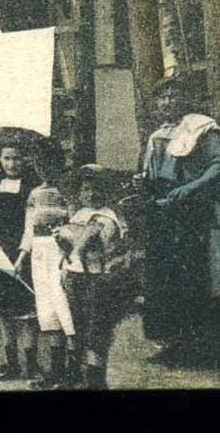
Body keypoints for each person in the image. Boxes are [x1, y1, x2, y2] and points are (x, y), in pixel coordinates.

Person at [138, 76, 220, 363]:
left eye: (174, 96)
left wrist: (189, 188)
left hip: (198, 211)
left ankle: (205, 345)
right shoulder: (157, 135)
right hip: (166, 211)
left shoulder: (202, 128)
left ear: (186, 99)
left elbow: (219, 166)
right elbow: (154, 172)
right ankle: (173, 342)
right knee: (167, 275)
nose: (167, 102)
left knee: (200, 273)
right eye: (162, 98)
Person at [57, 165, 137, 390]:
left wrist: (72, 238)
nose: (90, 194)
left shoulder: (106, 216)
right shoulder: (78, 215)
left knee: (96, 326)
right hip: (76, 275)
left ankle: (95, 378)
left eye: (95, 189)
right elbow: (67, 241)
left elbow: (95, 238)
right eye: (85, 189)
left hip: (97, 277)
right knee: (77, 323)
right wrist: (65, 242)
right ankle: (76, 374)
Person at [0, 142, 40, 381]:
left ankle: (31, 364)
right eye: (7, 158)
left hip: (20, 253)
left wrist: (23, 256)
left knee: (25, 312)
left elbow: (30, 225)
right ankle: (10, 363)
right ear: (0, 161)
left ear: (24, 160)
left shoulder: (30, 188)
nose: (12, 164)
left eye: (17, 158)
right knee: (3, 312)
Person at [24, 184, 76, 389]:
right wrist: (22, 256)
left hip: (60, 249)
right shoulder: (34, 193)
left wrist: (66, 250)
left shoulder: (66, 191)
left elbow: (73, 224)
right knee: (47, 310)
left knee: (63, 305)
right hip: (38, 251)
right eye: (40, 161)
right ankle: (56, 372)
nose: (45, 167)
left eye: (50, 159)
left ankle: (70, 371)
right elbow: (28, 229)